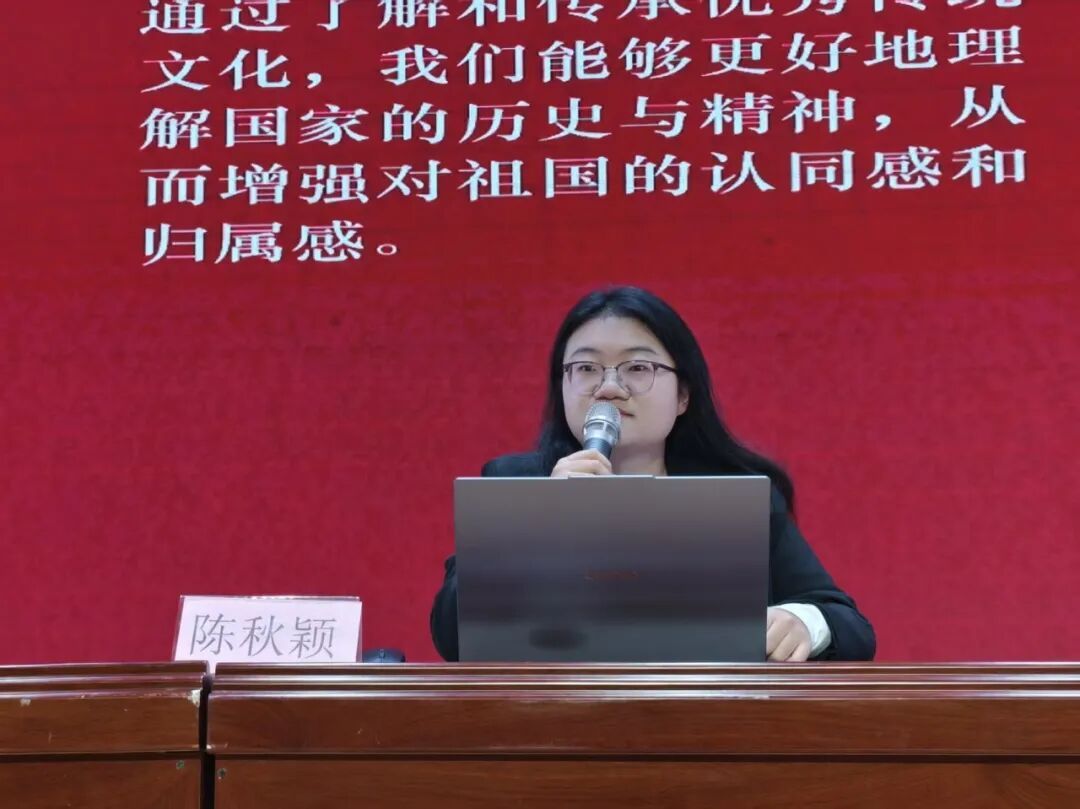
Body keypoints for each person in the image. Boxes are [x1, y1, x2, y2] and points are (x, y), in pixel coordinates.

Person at [430, 286, 875, 662]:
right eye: (585, 369)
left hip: (704, 722)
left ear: (683, 395)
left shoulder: (735, 498)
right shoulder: (516, 485)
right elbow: (452, 636)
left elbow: (849, 627)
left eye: (638, 368)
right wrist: (540, 521)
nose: (609, 388)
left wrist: (802, 623)